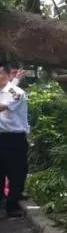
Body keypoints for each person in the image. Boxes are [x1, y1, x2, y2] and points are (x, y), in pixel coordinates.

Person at [0, 63, 30, 217]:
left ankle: (12, 206)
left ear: (6, 75)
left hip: (14, 138)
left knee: (16, 171)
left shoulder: (15, 92)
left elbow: (2, 107)